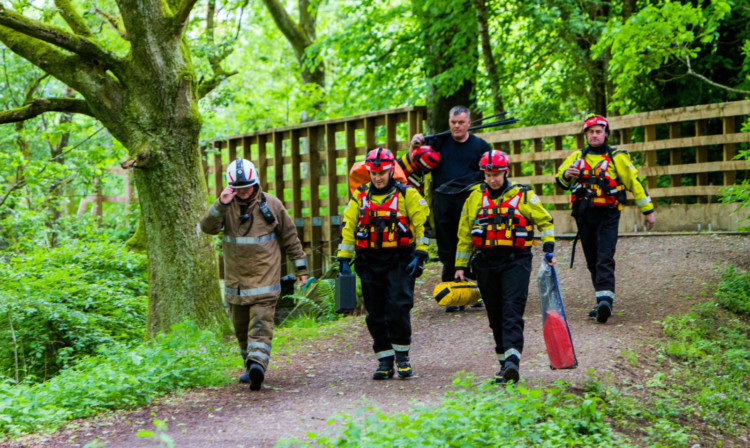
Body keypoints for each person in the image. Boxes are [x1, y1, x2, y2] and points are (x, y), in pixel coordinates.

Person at [200, 158, 308, 391]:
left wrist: (301, 269)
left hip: (265, 283)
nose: (244, 192)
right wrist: (220, 203)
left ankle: (258, 365)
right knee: (241, 329)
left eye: (247, 187)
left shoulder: (272, 205)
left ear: (256, 182)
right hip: (236, 285)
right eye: (238, 188)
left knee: (260, 325)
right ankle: (250, 367)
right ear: (230, 187)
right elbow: (207, 227)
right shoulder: (225, 208)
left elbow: (291, 238)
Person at [454, 150, 556, 384]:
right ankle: (504, 365)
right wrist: (460, 265)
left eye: (497, 174)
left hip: (515, 260)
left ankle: (513, 362)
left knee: (512, 309)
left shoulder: (523, 196)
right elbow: (464, 232)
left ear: (506, 172)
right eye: (488, 175)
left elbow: (545, 221)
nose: (492, 179)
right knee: (495, 314)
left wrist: (548, 246)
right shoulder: (475, 198)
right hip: (485, 262)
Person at [336, 148, 429, 380]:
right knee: (375, 312)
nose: (378, 177)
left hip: (400, 260)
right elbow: (349, 227)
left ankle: (403, 357)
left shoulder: (407, 195)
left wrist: (420, 255)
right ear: (369, 172)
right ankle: (384, 361)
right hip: (370, 261)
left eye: (382, 172)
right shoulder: (361, 196)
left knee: (398, 307)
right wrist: (344, 260)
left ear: (391, 171)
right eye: (374, 173)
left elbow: (422, 226)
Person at [556, 115, 655, 323]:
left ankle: (605, 302)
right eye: (590, 132)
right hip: (584, 215)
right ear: (585, 135)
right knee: (592, 259)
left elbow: (634, 183)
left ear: (606, 134)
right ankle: (601, 299)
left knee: (605, 256)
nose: (594, 135)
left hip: (608, 214)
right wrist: (567, 174)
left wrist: (647, 210)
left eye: (598, 131)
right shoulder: (576, 157)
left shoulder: (617, 157)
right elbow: (559, 180)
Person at [410, 105, 491, 312]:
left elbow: (492, 176)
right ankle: (452, 292)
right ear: (449, 122)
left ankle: (473, 292)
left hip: (470, 202)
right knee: (447, 247)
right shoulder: (437, 142)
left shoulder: (481, 146)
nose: (456, 126)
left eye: (461, 122)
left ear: (468, 123)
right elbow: (413, 160)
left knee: (474, 243)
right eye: (453, 122)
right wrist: (415, 144)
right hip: (443, 201)